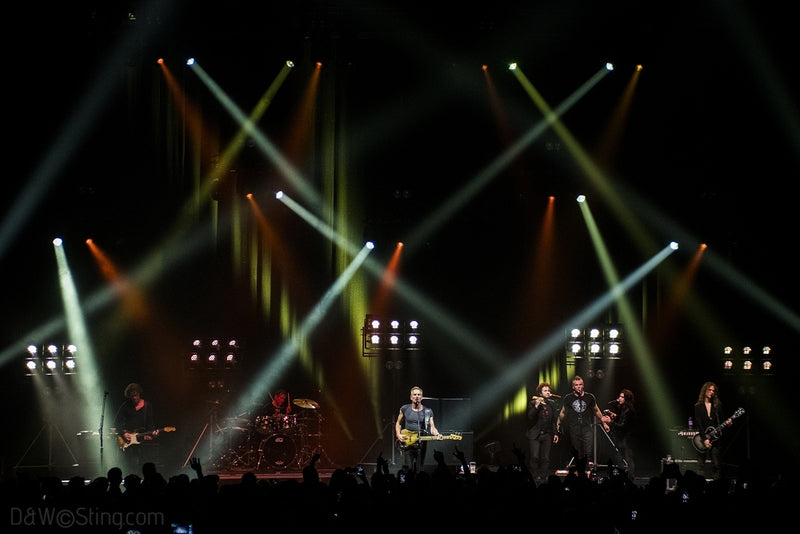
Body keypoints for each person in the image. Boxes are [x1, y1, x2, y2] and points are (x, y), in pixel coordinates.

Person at [557, 375, 609, 470]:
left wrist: (604, 423)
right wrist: (558, 424)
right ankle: (580, 472)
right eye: (576, 385)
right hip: (574, 428)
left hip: (587, 427)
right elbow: (562, 412)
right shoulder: (568, 398)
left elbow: (596, 410)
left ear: (583, 385)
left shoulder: (589, 397)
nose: (579, 386)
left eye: (580, 384)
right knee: (578, 451)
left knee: (587, 451)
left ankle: (587, 471)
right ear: (573, 387)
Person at [395, 386, 443, 473]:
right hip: (408, 443)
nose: (416, 396)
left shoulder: (428, 411)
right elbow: (398, 423)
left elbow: (432, 427)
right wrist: (398, 434)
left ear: (421, 397)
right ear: (411, 397)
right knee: (408, 469)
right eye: (414, 394)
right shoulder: (404, 408)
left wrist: (437, 434)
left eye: (419, 394)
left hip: (421, 444)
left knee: (419, 470)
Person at [115, 382, 160, 473]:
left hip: (141, 440)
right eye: (132, 396)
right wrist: (123, 433)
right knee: (131, 464)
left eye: (135, 395)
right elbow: (117, 422)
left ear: (139, 393)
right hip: (128, 440)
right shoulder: (126, 405)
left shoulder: (147, 406)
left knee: (142, 464)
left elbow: (150, 423)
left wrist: (152, 434)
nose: (134, 398)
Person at [694, 381, 732, 481]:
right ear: (705, 391)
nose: (711, 392)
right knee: (700, 465)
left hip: (715, 440)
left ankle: (716, 486)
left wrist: (728, 424)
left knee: (716, 464)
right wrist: (705, 439)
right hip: (702, 439)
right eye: (709, 390)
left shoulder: (717, 406)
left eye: (713, 391)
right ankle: (699, 485)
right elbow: (699, 424)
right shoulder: (698, 406)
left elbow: (722, 421)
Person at [526, 381, 560, 482]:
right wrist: (536, 406)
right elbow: (530, 417)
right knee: (535, 457)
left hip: (547, 434)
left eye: (548, 390)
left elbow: (554, 420)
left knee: (545, 458)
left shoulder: (552, 404)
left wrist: (555, 434)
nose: (547, 392)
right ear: (540, 393)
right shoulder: (533, 402)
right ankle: (535, 477)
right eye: (545, 391)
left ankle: (544, 477)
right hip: (535, 434)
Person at [602, 388, 637, 480]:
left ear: (627, 399)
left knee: (628, 458)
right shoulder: (624, 409)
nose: (619, 398)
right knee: (619, 457)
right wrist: (614, 415)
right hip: (622, 438)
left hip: (627, 438)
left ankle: (630, 477)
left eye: (622, 397)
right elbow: (621, 420)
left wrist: (610, 422)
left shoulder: (629, 411)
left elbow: (622, 426)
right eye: (619, 396)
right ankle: (623, 476)